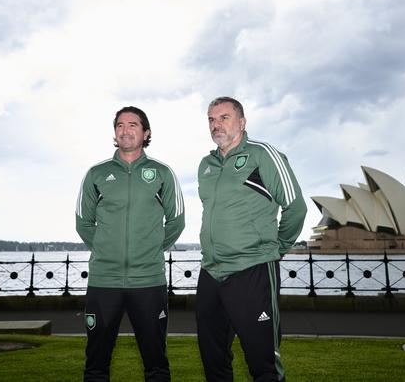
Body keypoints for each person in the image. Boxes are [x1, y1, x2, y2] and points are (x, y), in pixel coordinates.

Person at [196, 97, 307, 382]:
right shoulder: (206, 165)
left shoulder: (262, 154)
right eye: (211, 119)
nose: (216, 124)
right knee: (214, 361)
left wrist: (277, 249)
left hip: (252, 270)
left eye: (224, 117)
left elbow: (295, 207)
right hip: (211, 272)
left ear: (242, 122)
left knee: (263, 362)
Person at [76, 105, 185, 381]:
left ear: (146, 132)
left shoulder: (162, 173)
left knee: (156, 363)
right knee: (96, 364)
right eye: (120, 125)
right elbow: (83, 223)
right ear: (115, 132)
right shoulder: (96, 174)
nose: (125, 130)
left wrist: (150, 249)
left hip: (148, 281)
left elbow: (176, 221)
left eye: (133, 124)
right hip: (104, 281)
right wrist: (105, 249)